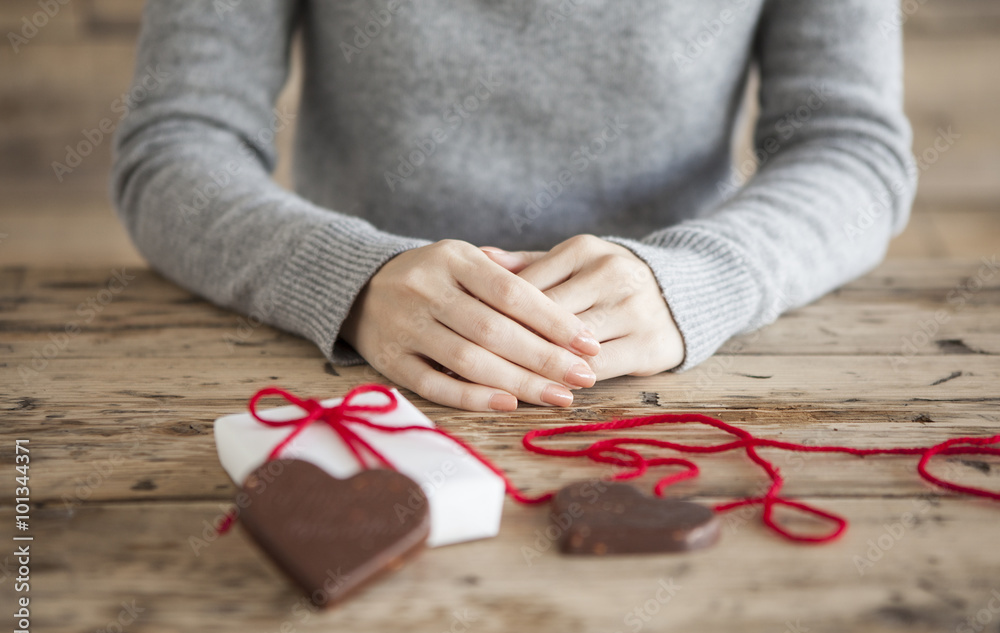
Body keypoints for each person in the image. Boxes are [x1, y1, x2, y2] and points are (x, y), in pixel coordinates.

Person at [111, 0, 916, 412]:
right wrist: (348, 276)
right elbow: (176, 141)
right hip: (352, 376)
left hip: (682, 385)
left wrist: (702, 279)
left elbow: (851, 145)